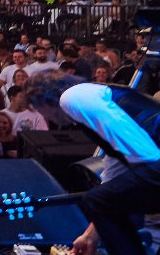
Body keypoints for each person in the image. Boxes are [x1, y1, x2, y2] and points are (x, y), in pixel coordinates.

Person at [26, 73, 160, 255]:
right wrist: (90, 235)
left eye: (39, 110)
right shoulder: (90, 100)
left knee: (96, 199)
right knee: (102, 198)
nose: (46, 118)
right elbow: (115, 174)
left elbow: (143, 150)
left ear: (44, 100)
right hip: (152, 160)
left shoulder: (73, 97)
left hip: (153, 160)